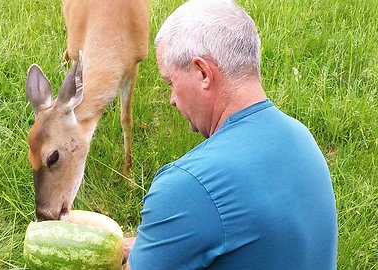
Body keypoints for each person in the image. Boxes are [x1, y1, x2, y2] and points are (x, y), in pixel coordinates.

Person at [123, 0, 338, 269]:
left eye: (171, 82)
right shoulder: (301, 138)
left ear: (203, 73)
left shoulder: (187, 185)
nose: (172, 100)